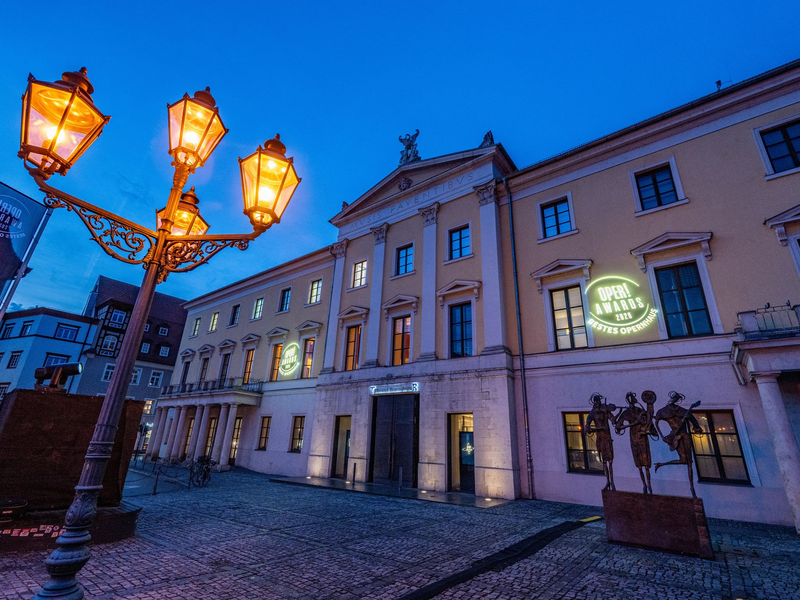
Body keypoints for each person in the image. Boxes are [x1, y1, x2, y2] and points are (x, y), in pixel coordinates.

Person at [654, 391, 703, 498]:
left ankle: (692, 489)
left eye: (676, 399)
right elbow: (656, 422)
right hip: (675, 437)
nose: (674, 400)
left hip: (685, 437)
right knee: (685, 461)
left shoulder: (684, 411)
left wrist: (697, 429)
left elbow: (696, 425)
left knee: (688, 462)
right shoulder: (663, 411)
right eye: (674, 398)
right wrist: (662, 437)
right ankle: (661, 464)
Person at [614, 391, 658, 493]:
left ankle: (649, 484)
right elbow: (618, 426)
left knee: (646, 464)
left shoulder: (640, 410)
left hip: (642, 436)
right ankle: (644, 485)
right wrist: (631, 424)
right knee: (639, 464)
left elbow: (648, 420)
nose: (633, 400)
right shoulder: (626, 413)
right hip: (633, 437)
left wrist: (649, 430)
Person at [584, 393, 618, 491]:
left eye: (598, 401)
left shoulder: (605, 410)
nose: (597, 403)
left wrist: (615, 418)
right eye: (596, 401)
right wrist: (588, 428)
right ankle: (607, 481)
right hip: (600, 438)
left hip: (607, 438)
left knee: (610, 461)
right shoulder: (592, 413)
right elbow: (588, 425)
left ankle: (612, 482)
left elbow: (613, 419)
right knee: (604, 462)